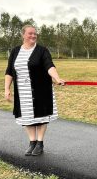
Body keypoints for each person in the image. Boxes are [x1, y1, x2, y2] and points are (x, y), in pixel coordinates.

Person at [4, 24, 64, 156]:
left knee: (41, 116)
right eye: (30, 33)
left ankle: (40, 143)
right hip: (22, 91)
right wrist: (7, 89)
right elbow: (9, 71)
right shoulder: (15, 51)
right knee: (27, 117)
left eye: (35, 33)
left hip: (41, 89)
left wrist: (57, 78)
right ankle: (32, 142)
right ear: (23, 35)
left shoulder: (42, 50)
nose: (33, 35)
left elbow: (49, 66)